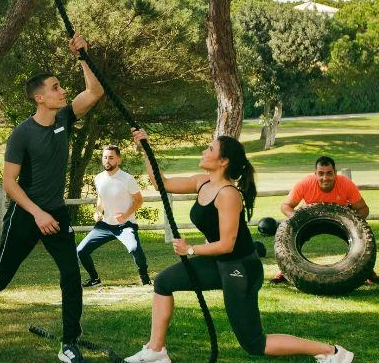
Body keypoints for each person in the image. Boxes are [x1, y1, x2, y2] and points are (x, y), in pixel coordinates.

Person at [122, 129, 353, 363]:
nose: (204, 151)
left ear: (223, 161)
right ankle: (156, 351)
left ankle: (331, 352)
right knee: (163, 282)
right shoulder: (203, 182)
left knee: (253, 342)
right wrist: (144, 147)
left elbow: (226, 244)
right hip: (219, 263)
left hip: (240, 268)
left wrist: (190, 249)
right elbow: (163, 183)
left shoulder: (228, 195)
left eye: (210, 149)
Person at [0, 35, 104, 363]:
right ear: (40, 98)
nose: (62, 91)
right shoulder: (22, 134)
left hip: (56, 215)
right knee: (2, 274)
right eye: (56, 88)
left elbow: (95, 92)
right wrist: (37, 214)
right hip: (26, 216)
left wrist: (82, 56)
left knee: (71, 274)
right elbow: (9, 183)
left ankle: (69, 343)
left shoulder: (65, 119)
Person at [269, 156, 379, 285]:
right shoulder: (306, 184)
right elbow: (285, 206)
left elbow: (363, 209)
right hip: (310, 221)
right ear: (315, 174)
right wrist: (298, 218)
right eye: (321, 174)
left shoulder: (345, 184)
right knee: (291, 238)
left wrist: (354, 224)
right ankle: (286, 270)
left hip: (341, 222)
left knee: (360, 238)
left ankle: (366, 270)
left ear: (335, 173)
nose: (325, 178)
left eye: (329, 173)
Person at [76, 145, 151, 287]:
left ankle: (145, 279)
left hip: (125, 225)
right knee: (81, 250)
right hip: (105, 226)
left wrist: (125, 216)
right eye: (105, 157)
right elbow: (101, 197)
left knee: (134, 249)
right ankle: (95, 279)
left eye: (111, 158)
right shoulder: (98, 178)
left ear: (119, 160)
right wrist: (98, 211)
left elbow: (139, 200)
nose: (107, 161)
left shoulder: (127, 179)